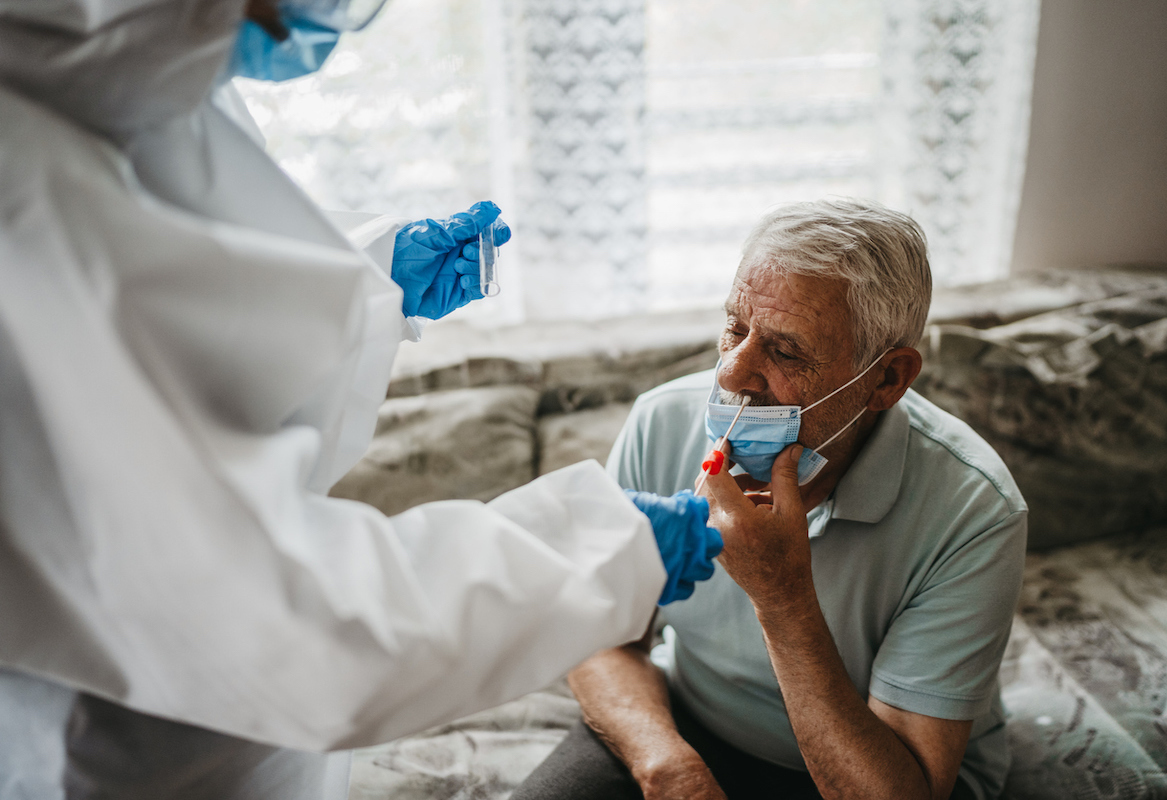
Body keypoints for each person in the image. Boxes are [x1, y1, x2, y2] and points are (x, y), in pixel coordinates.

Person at [0, 1, 722, 797]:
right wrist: (599, 548)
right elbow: (277, 616)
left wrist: (371, 283)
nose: (331, 17)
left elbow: (189, 302)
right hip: (113, 740)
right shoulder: (25, 181)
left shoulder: (141, 81)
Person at [511, 199, 1029, 800]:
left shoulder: (977, 511)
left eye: (784, 352)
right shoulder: (661, 422)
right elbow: (602, 633)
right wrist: (668, 768)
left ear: (886, 380)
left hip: (872, 767)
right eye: (735, 327)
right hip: (687, 727)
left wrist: (782, 598)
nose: (732, 373)